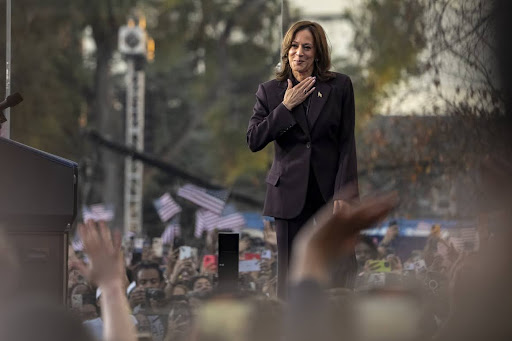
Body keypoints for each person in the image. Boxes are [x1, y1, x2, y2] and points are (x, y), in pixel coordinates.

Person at [247, 20, 359, 298]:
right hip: (288, 197)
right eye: (294, 47)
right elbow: (254, 139)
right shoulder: (270, 92)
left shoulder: (340, 86)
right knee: (291, 277)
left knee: (339, 271)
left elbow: (347, 143)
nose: (299, 53)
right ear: (286, 52)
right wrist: (286, 107)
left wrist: (344, 194)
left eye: (307, 47)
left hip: (328, 196)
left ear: (317, 52)